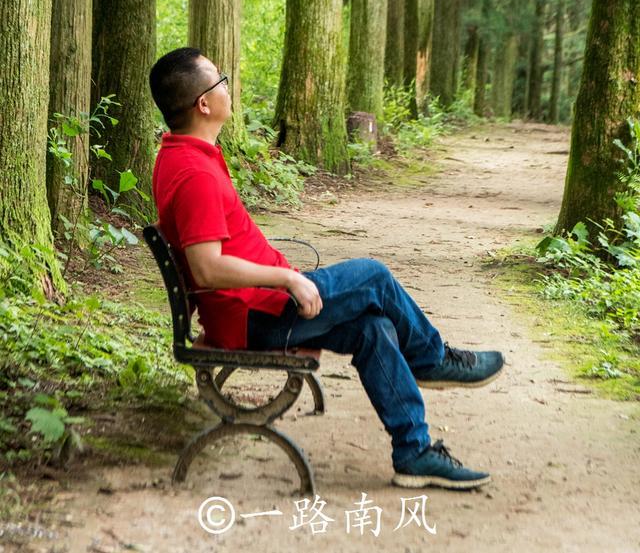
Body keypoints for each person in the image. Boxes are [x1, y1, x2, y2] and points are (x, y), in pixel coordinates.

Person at [149, 47, 505, 490]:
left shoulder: (185, 155)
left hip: (259, 306)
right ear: (203, 103)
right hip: (255, 316)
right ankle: (432, 359)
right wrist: (288, 278)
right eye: (220, 79)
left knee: (374, 328)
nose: (227, 85)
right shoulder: (195, 174)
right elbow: (206, 268)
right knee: (374, 276)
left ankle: (413, 453)